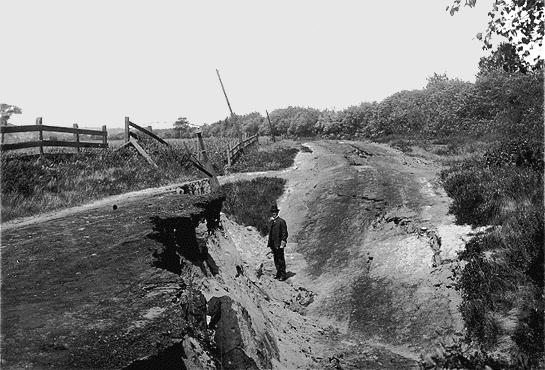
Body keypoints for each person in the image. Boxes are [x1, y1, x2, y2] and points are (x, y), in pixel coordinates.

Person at [267, 204, 288, 280]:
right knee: (276, 259)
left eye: (275, 212)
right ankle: (278, 273)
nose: (273, 213)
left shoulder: (281, 221)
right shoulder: (272, 222)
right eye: (272, 212)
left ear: (277, 212)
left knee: (280, 259)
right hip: (273, 244)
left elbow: (284, 233)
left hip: (279, 244)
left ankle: (283, 274)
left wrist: (283, 242)